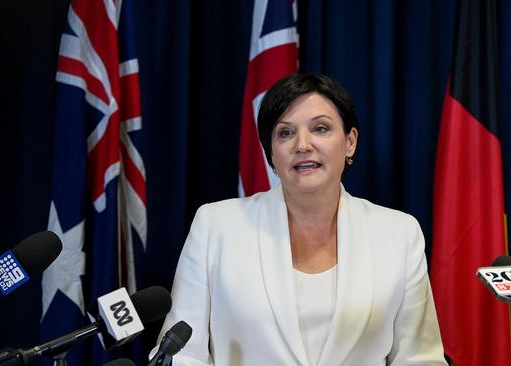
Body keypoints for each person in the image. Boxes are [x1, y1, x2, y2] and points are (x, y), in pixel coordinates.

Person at [154, 73, 447, 365]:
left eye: (320, 129)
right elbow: (180, 354)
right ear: (270, 150)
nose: (303, 144)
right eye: (285, 133)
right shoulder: (216, 226)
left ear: (350, 142)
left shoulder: (398, 233)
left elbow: (420, 359)